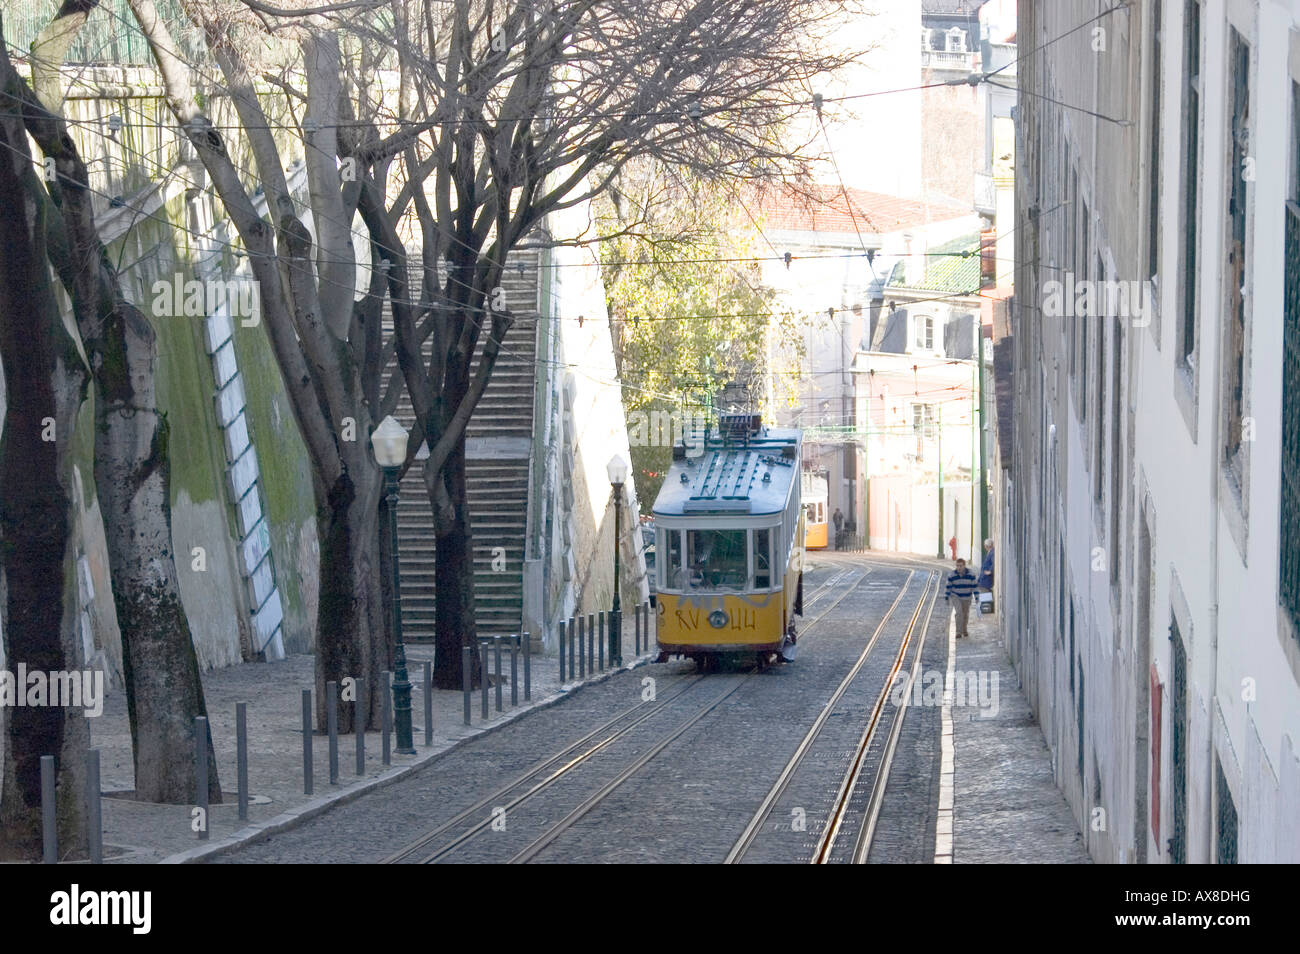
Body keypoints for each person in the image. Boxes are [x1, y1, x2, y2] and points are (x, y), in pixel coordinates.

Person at [945, 558, 978, 638]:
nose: (959, 567)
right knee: (959, 612)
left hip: (967, 597)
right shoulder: (952, 575)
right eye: (957, 566)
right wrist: (947, 596)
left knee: (965, 614)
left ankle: (964, 629)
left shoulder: (971, 574)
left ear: (964, 566)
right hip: (956, 596)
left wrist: (977, 597)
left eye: (960, 566)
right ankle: (958, 632)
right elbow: (948, 586)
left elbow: (974, 587)